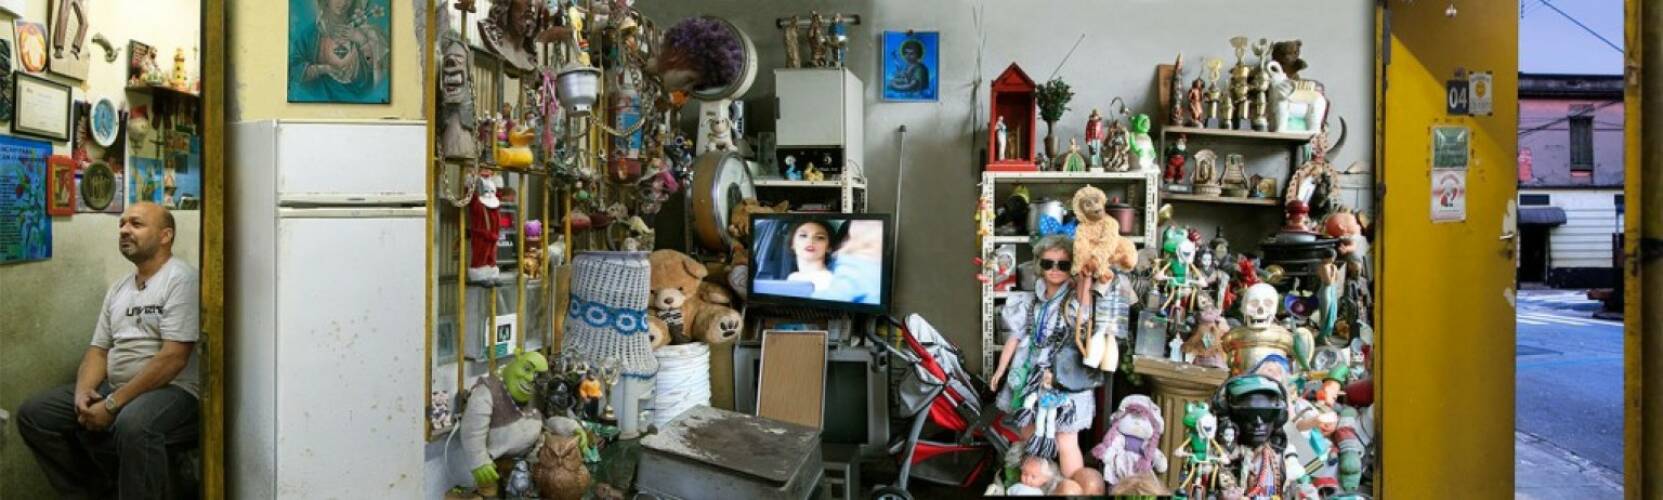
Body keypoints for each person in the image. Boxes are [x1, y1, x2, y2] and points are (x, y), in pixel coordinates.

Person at [17, 202, 201, 499]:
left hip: (174, 390)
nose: (125, 230)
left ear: (165, 236)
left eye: (136, 224)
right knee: (36, 414)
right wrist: (83, 395)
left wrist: (113, 404)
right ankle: (97, 491)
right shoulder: (119, 288)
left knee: (133, 425)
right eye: (122, 224)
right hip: (119, 388)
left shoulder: (181, 280)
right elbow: (98, 350)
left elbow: (173, 358)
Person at [990, 235, 1123, 490]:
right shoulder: (1029, 301)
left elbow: (1085, 308)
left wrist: (1085, 277)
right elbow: (1015, 337)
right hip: (1029, 376)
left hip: (1062, 376)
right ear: (1039, 264)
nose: (1054, 270)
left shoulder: (1073, 299)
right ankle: (1032, 485)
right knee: (1028, 433)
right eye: (1048, 263)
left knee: (1065, 439)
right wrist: (1000, 370)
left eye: (1063, 265)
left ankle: (1071, 489)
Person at [785, 220, 836, 292]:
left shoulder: (832, 281)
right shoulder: (792, 277)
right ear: (792, 244)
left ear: (829, 247)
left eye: (819, 237)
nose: (810, 240)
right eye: (803, 235)